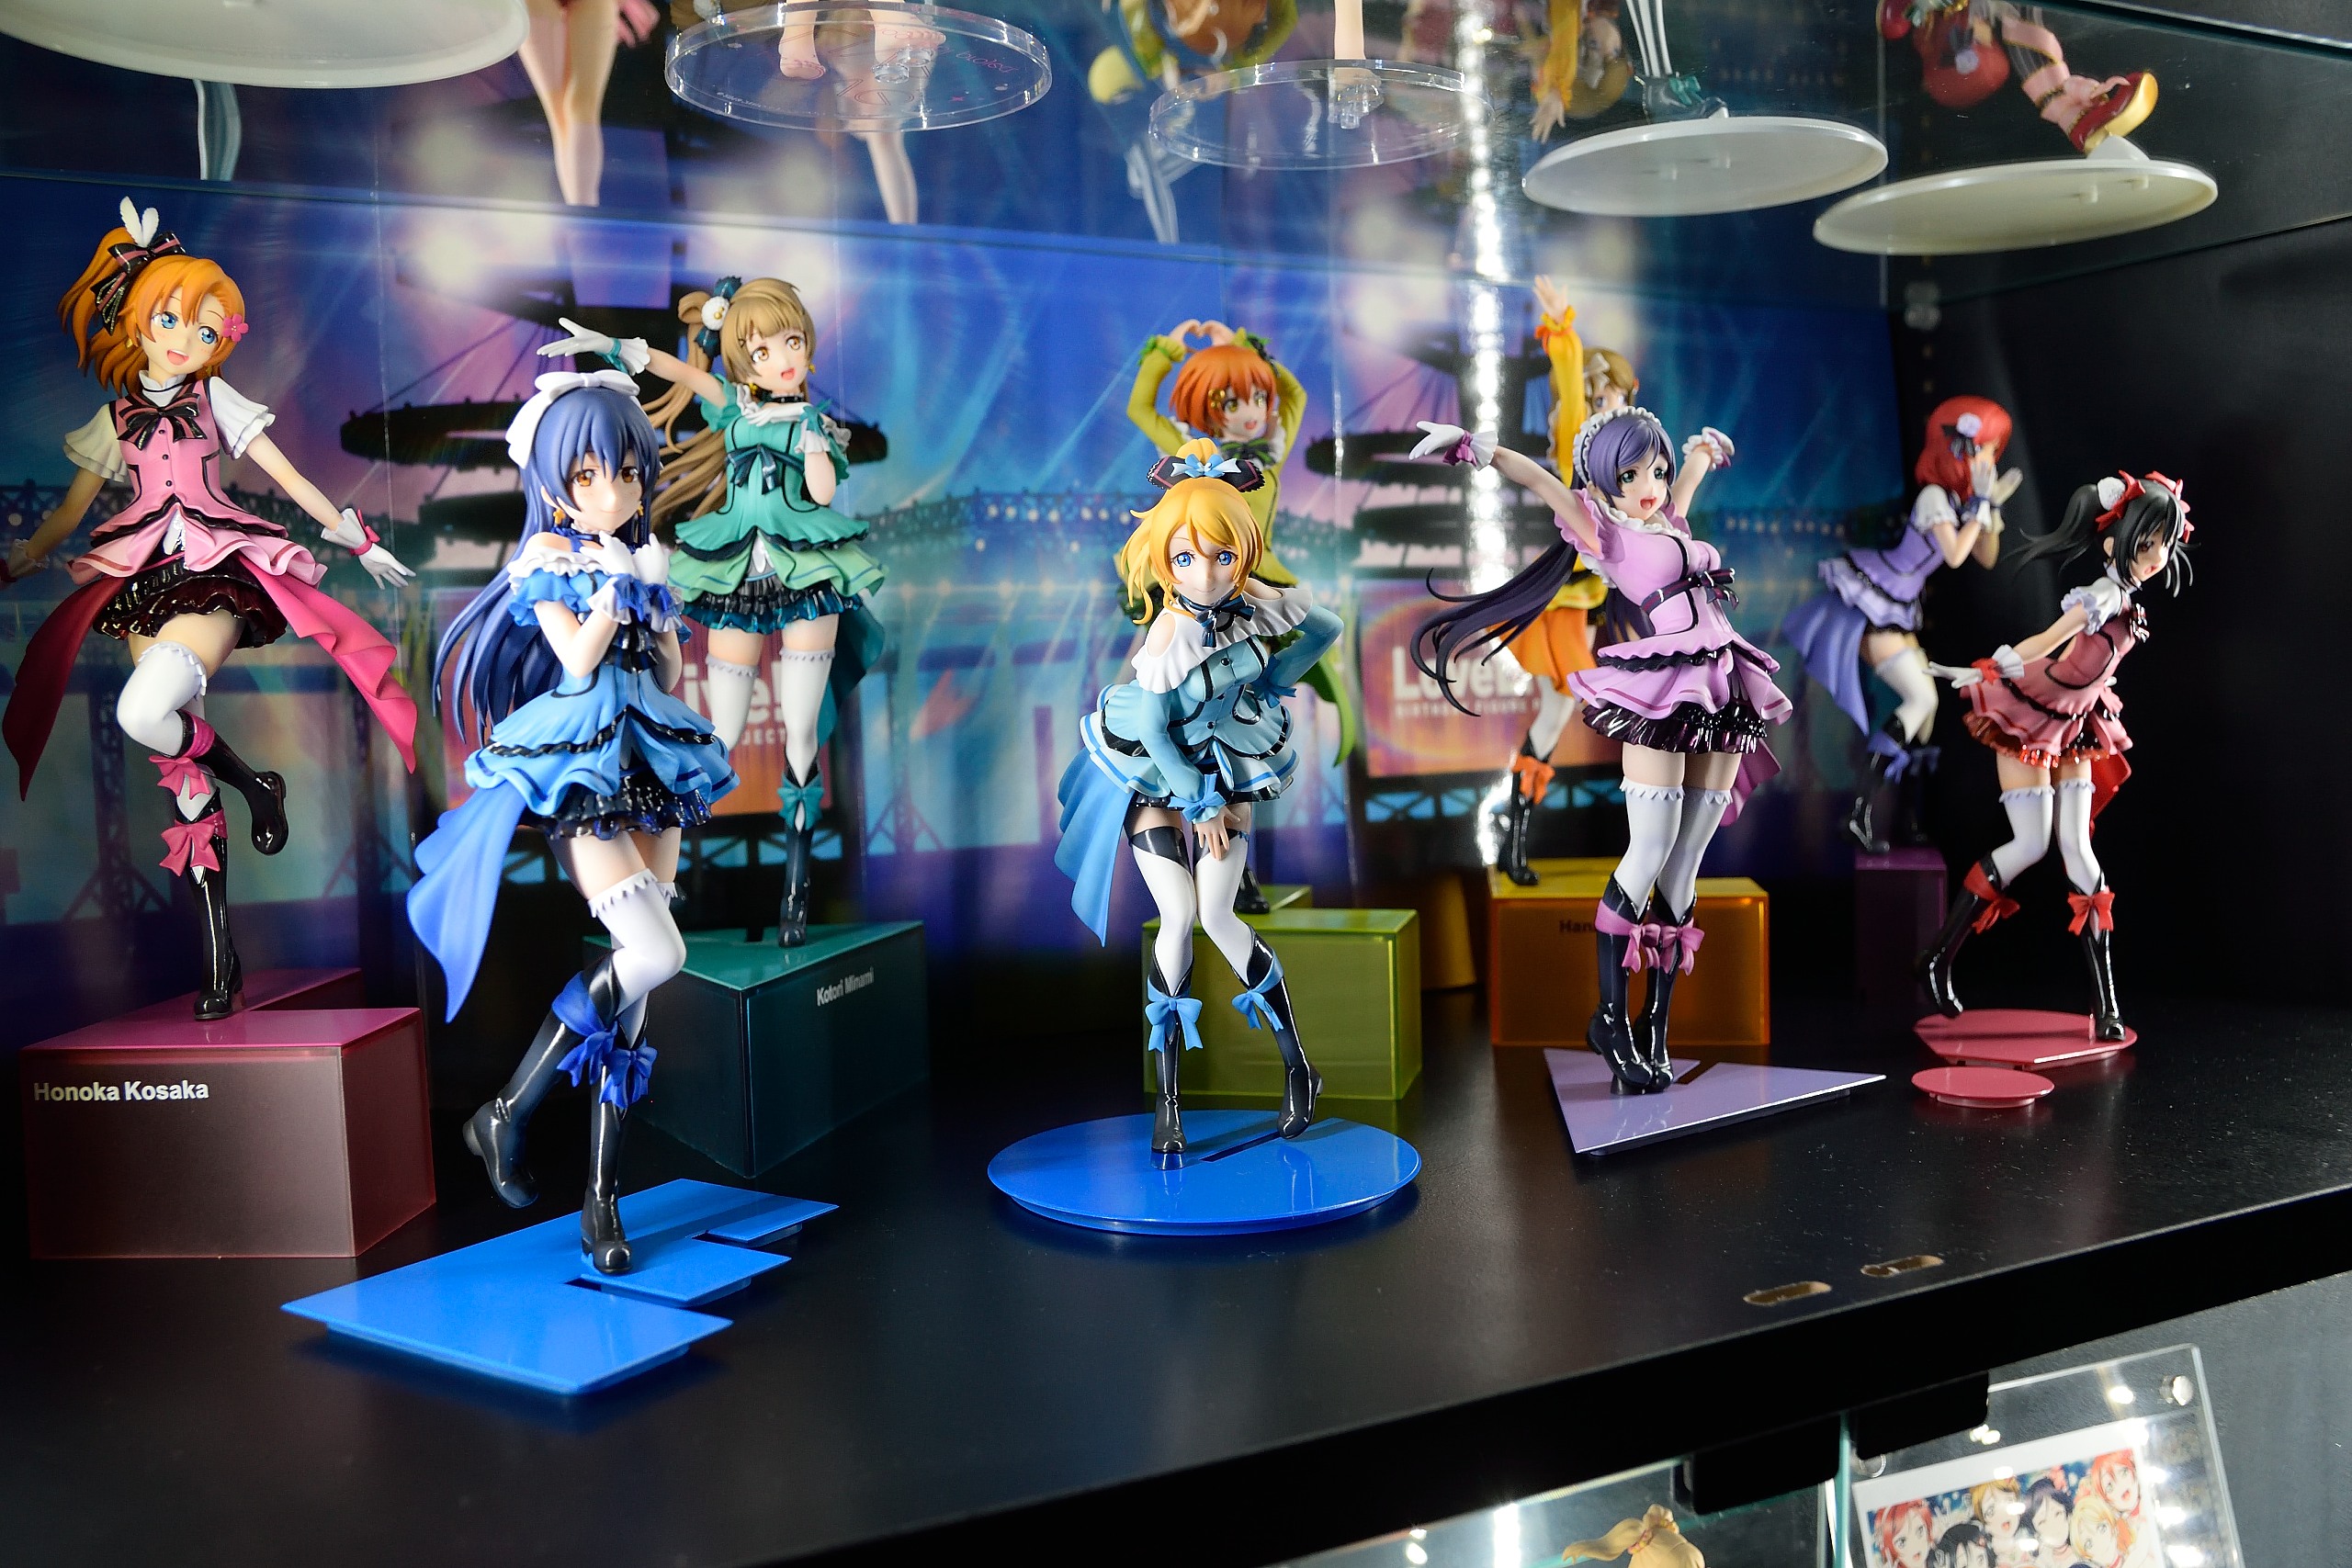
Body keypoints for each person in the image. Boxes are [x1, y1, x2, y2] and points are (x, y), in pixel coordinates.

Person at [3, 198, 417, 1019]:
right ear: (134, 320)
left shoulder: (216, 400)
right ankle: (221, 954)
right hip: (140, 577)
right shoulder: (112, 419)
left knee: (140, 711)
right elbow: (67, 516)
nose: (186, 341)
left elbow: (290, 477)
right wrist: (18, 560)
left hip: (215, 570)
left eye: (204, 329)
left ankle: (258, 784)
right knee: (181, 769)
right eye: (170, 320)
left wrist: (358, 537)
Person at [408, 374, 735, 1274]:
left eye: (627, 474)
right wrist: (617, 590)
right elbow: (578, 657)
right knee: (657, 953)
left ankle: (601, 1198)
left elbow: (665, 672)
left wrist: (658, 609)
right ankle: (509, 1108)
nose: (613, 493)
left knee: (634, 1002)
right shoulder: (547, 560)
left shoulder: (635, 554)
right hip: (581, 762)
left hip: (652, 755)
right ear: (554, 483)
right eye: (590, 476)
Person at [1412, 405, 1781, 1093]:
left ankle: (1655, 1027)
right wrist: (1471, 446)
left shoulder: (1668, 520)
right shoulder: (1602, 531)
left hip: (1724, 684)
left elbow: (1684, 484)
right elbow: (1539, 481)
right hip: (1665, 689)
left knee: (1686, 864)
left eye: (1655, 471)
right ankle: (1610, 1018)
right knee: (1650, 848)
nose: (1649, 486)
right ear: (1605, 480)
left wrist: (1702, 452)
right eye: (1631, 474)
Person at [544, 278, 887, 944]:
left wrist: (816, 441)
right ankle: (672, 881)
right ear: (742, 359)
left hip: (807, 568)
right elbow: (672, 369)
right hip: (736, 568)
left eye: (792, 342)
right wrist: (609, 345)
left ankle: (795, 880)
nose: (783, 358)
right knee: (718, 734)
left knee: (799, 732)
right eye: (763, 350)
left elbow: (822, 493)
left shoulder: (812, 422)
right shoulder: (734, 407)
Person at [1055, 440, 1342, 1156]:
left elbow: (1326, 629)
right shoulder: (1169, 631)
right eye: (1187, 557)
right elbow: (1154, 728)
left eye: (1222, 555)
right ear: (1165, 560)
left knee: (1217, 914)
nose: (1206, 573)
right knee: (1178, 915)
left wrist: (1268, 628)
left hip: (1226, 762)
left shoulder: (1249, 610)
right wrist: (1199, 802)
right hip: (1156, 775)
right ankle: (1170, 1098)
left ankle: (1299, 1067)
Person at [1917, 473, 2192, 1042]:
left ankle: (2106, 1003)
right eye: (2146, 543)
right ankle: (1936, 958)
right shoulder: (2104, 595)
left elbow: (2071, 653)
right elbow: (2048, 641)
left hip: (2077, 721)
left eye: (2163, 544)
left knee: (2080, 854)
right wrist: (1991, 670)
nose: (2157, 557)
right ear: (2114, 543)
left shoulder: (2124, 597)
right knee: (2031, 843)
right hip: (2034, 710)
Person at [1781, 395, 2014, 852]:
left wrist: (1991, 512)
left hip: (1901, 606)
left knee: (1927, 714)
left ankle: (1905, 818)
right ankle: (1859, 812)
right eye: (1987, 450)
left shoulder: (1957, 500)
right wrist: (1981, 505)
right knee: (1920, 698)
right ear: (1961, 451)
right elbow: (1955, 555)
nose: (1991, 460)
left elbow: (1986, 557)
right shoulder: (1934, 497)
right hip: (1879, 601)